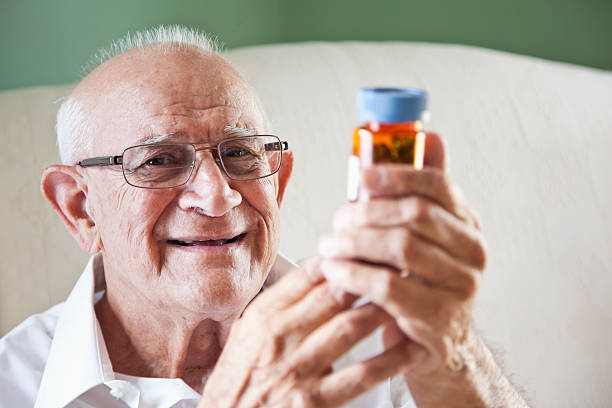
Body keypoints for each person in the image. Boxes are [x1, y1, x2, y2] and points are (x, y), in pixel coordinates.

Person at [0, 26, 528, 407]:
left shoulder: (375, 327)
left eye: (240, 154)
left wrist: (455, 352)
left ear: (279, 178)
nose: (217, 195)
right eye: (159, 161)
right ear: (80, 208)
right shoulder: (15, 384)